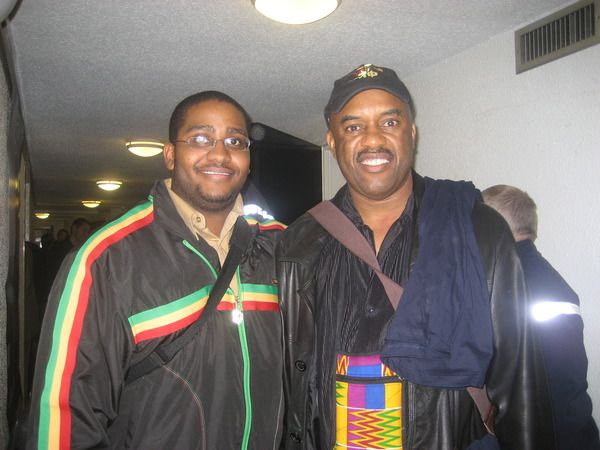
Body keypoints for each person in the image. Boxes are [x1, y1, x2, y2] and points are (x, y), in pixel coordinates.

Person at [277, 64, 555, 449]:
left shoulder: (476, 230)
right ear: (332, 141)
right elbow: (286, 382)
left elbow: (519, 375)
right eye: (353, 127)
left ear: (411, 132)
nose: (373, 139)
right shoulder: (299, 244)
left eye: (390, 122)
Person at [27, 91, 286, 449]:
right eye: (200, 138)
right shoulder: (106, 260)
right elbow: (64, 418)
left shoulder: (281, 246)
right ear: (170, 155)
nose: (220, 154)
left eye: (235, 141)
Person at [482, 184, 600, 450]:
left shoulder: (506, 285)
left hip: (541, 435)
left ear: (496, 229)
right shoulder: (551, 280)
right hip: (576, 430)